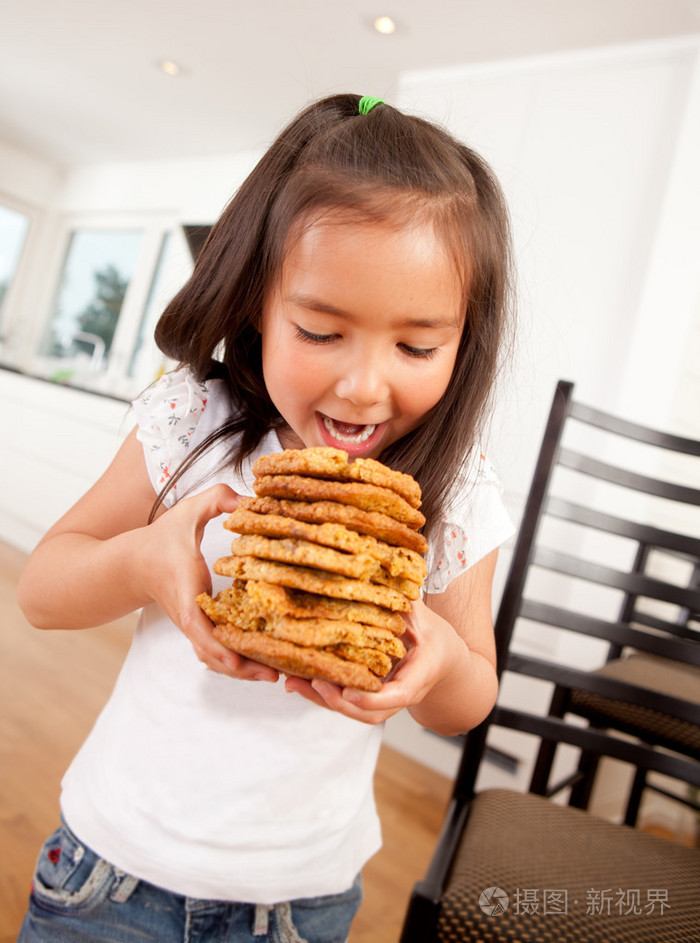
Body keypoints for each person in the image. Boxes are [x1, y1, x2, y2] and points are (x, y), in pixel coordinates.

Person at [16, 93, 515, 943]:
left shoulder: (453, 491)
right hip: (108, 871)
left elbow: (466, 703)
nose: (364, 385)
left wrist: (436, 664)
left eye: (417, 347)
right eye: (321, 330)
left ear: (464, 342)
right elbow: (42, 591)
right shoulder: (194, 421)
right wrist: (143, 561)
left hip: (301, 902)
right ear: (255, 303)